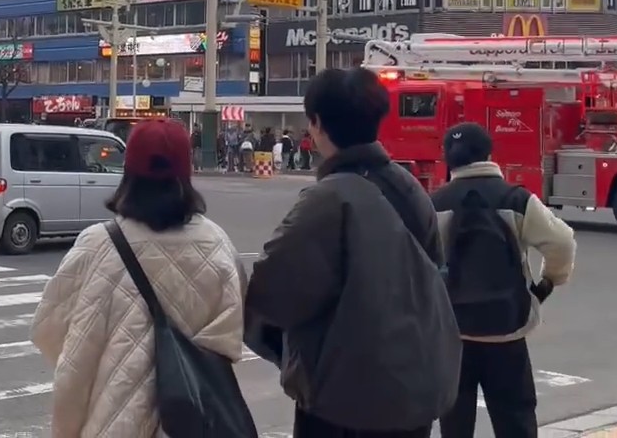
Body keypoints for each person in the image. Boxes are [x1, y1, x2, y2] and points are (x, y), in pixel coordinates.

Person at [244, 67, 461, 438]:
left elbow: (272, 295)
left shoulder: (328, 199)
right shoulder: (409, 188)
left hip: (343, 399)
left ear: (316, 124)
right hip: (413, 390)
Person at [32, 119, 245, 435]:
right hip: (194, 424)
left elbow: (50, 333)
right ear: (185, 174)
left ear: (128, 173)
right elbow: (231, 338)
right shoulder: (218, 246)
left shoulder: (97, 244)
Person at [433, 122, 576, 438]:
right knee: (515, 417)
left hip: (454, 333)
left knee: (455, 422)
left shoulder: (435, 203)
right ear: (488, 153)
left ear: (448, 158)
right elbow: (563, 242)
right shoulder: (517, 199)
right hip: (508, 330)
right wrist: (547, 283)